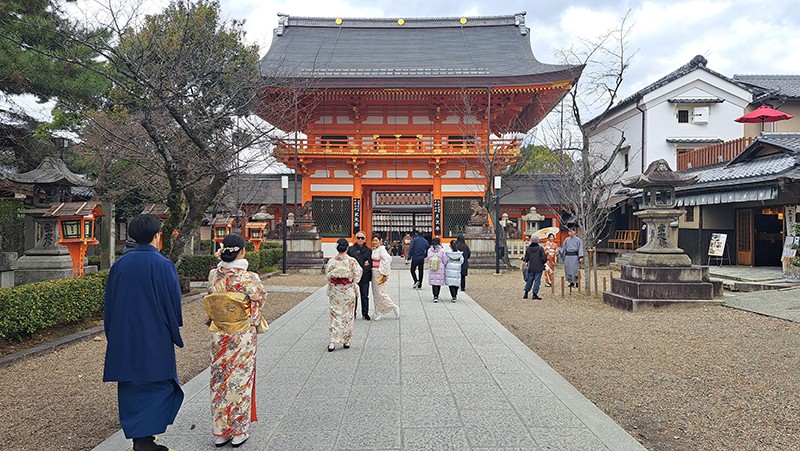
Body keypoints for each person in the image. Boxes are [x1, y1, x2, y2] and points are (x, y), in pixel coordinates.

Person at [103, 214, 183, 451]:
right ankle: (146, 441)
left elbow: (110, 303)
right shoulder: (163, 265)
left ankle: (141, 440)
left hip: (125, 335)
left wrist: (112, 334)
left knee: (132, 385)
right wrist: (173, 331)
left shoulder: (119, 265)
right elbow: (173, 305)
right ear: (157, 236)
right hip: (154, 334)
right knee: (157, 383)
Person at [205, 234, 268, 448]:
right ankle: (239, 430)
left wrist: (221, 259)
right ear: (242, 252)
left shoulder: (215, 275)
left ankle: (221, 431)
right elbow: (261, 298)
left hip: (219, 333)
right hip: (241, 335)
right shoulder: (249, 277)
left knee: (219, 379)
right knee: (240, 378)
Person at [325, 238, 363, 351]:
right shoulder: (352, 261)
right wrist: (351, 281)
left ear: (337, 248)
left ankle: (333, 340)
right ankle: (346, 340)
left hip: (336, 291)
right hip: (347, 290)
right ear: (347, 248)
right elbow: (358, 274)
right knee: (347, 316)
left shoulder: (332, 261)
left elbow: (328, 276)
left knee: (335, 315)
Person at [371, 234, 400, 320]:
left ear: (380, 241)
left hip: (379, 272)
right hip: (374, 272)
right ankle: (379, 312)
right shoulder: (375, 250)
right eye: (373, 240)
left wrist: (384, 273)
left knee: (381, 293)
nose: (374, 242)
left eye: (376, 240)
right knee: (375, 293)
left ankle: (393, 306)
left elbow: (387, 260)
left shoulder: (382, 250)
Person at [347, 232, 372, 320]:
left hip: (365, 276)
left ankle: (365, 313)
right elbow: (349, 263)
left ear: (365, 239)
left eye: (362, 238)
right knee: (354, 296)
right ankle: (353, 312)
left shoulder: (368, 250)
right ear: (355, 238)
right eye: (358, 238)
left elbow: (369, 263)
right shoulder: (350, 250)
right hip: (354, 277)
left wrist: (363, 269)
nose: (360, 240)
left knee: (365, 295)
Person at [426, 237, 448, 302]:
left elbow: (428, 259)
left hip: (432, 267)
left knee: (434, 282)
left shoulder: (429, 250)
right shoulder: (442, 250)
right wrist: (443, 264)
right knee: (438, 282)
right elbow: (445, 260)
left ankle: (435, 296)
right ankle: (437, 295)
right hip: (440, 268)